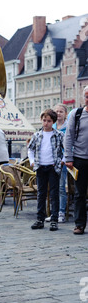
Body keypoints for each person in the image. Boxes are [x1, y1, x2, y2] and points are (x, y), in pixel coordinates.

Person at [28, 109, 65, 231]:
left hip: (53, 167)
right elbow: (30, 149)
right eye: (44, 120)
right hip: (40, 166)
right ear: (41, 120)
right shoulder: (37, 135)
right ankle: (40, 219)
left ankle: (54, 220)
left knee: (54, 194)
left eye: (49, 121)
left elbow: (67, 148)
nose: (46, 123)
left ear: (53, 122)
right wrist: (32, 161)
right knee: (41, 194)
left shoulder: (59, 135)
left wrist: (63, 160)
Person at [65, 86, 88, 235]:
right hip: (80, 159)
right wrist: (68, 157)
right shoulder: (76, 114)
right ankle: (79, 224)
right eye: (86, 96)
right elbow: (69, 136)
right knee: (79, 194)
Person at [45, 104, 68, 223]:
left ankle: (61, 212)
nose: (58, 113)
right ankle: (53, 212)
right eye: (56, 111)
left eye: (61, 111)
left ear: (65, 114)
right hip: (50, 162)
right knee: (52, 189)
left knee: (61, 188)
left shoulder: (68, 126)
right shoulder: (50, 126)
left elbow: (69, 145)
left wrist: (65, 158)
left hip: (62, 162)